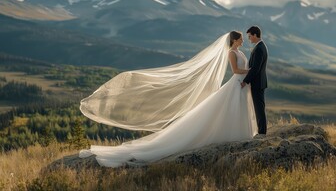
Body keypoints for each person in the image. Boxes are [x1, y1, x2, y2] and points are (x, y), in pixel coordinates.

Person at [79, 31, 258, 167]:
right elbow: (235, 71)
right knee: (231, 108)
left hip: (242, 84)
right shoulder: (232, 53)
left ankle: (242, 133)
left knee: (238, 108)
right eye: (241, 38)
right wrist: (250, 72)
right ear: (234, 40)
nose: (243, 40)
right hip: (237, 83)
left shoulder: (239, 52)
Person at [241, 26, 268, 135]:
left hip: (258, 84)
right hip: (259, 83)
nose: (249, 39)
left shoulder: (259, 48)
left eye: (250, 36)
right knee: (259, 108)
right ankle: (261, 131)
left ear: (255, 35)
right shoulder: (260, 46)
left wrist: (245, 81)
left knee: (259, 109)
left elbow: (255, 68)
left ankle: (262, 132)